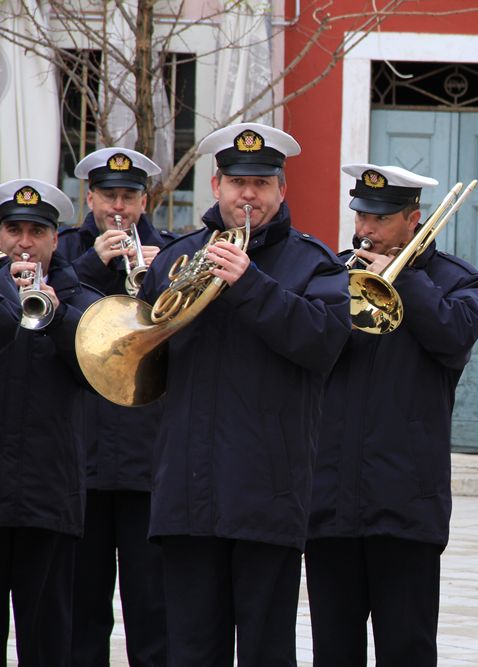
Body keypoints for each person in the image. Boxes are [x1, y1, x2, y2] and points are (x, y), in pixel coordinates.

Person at [135, 122, 352, 665]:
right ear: (216, 186)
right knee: (190, 650)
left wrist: (250, 282)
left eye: (261, 182)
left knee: (265, 650)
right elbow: (141, 354)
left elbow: (323, 343)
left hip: (267, 495)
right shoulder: (176, 257)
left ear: (282, 189)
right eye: (236, 182)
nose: (248, 195)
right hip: (188, 492)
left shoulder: (315, 264)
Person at [305, 164, 478, 666]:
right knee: (333, 651)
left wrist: (404, 278)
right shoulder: (331, 274)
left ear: (414, 219)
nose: (365, 229)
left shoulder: (457, 281)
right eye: (361, 215)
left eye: (380, 219)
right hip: (330, 501)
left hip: (407, 504)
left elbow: (454, 339)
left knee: (407, 648)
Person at [59, 147, 169, 666]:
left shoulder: (169, 253)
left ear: (144, 201)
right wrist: (90, 267)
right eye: (109, 197)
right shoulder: (64, 254)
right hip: (82, 462)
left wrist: (159, 281)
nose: (118, 208)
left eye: (129, 197)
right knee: (81, 614)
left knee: (154, 613)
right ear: (91, 197)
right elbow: (53, 318)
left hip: (149, 464)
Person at [0, 179, 102, 665]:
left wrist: (58, 317)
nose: (24, 242)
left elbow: (97, 375)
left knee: (49, 641)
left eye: (36, 231)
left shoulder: (80, 297)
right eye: (13, 230)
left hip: (50, 497)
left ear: (54, 239)